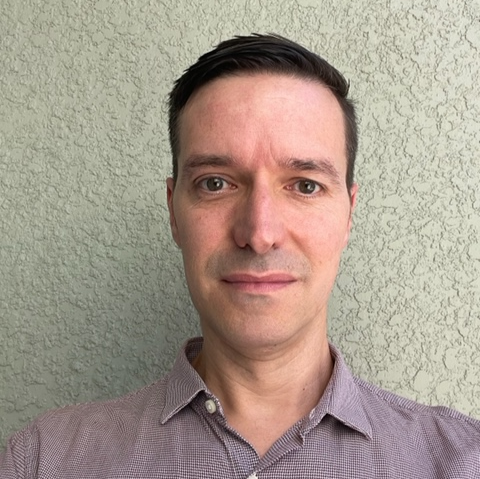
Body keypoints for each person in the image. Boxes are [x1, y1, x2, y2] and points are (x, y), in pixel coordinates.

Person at [1, 33, 479, 479]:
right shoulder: (46, 460)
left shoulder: (461, 461)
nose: (259, 233)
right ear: (173, 212)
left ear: (349, 215)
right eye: (215, 183)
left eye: (305, 186)